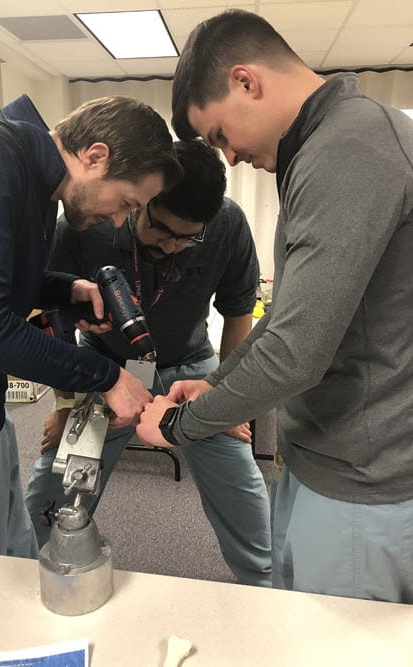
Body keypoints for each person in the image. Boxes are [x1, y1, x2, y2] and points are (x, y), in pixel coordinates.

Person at [136, 9, 413, 603]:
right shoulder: (323, 145)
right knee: (288, 615)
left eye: (218, 135)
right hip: (323, 458)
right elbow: (288, 318)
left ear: (246, 81)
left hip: (364, 480)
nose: (230, 157)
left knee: (330, 642)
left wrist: (181, 425)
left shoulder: (350, 148)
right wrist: (216, 385)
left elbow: (294, 353)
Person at [0, 94, 181, 558]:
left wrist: (67, 290)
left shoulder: (38, 186)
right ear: (95, 156)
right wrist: (107, 378)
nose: (118, 219)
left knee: (13, 556)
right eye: (125, 202)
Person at [25, 139, 272, 586]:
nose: (172, 246)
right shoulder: (85, 226)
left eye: (187, 237)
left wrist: (227, 399)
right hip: (105, 368)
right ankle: (30, 572)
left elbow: (238, 316)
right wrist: (64, 404)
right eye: (161, 231)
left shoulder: (227, 223)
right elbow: (53, 319)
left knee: (243, 489)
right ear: (142, 199)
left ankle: (268, 587)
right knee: (55, 483)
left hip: (193, 369)